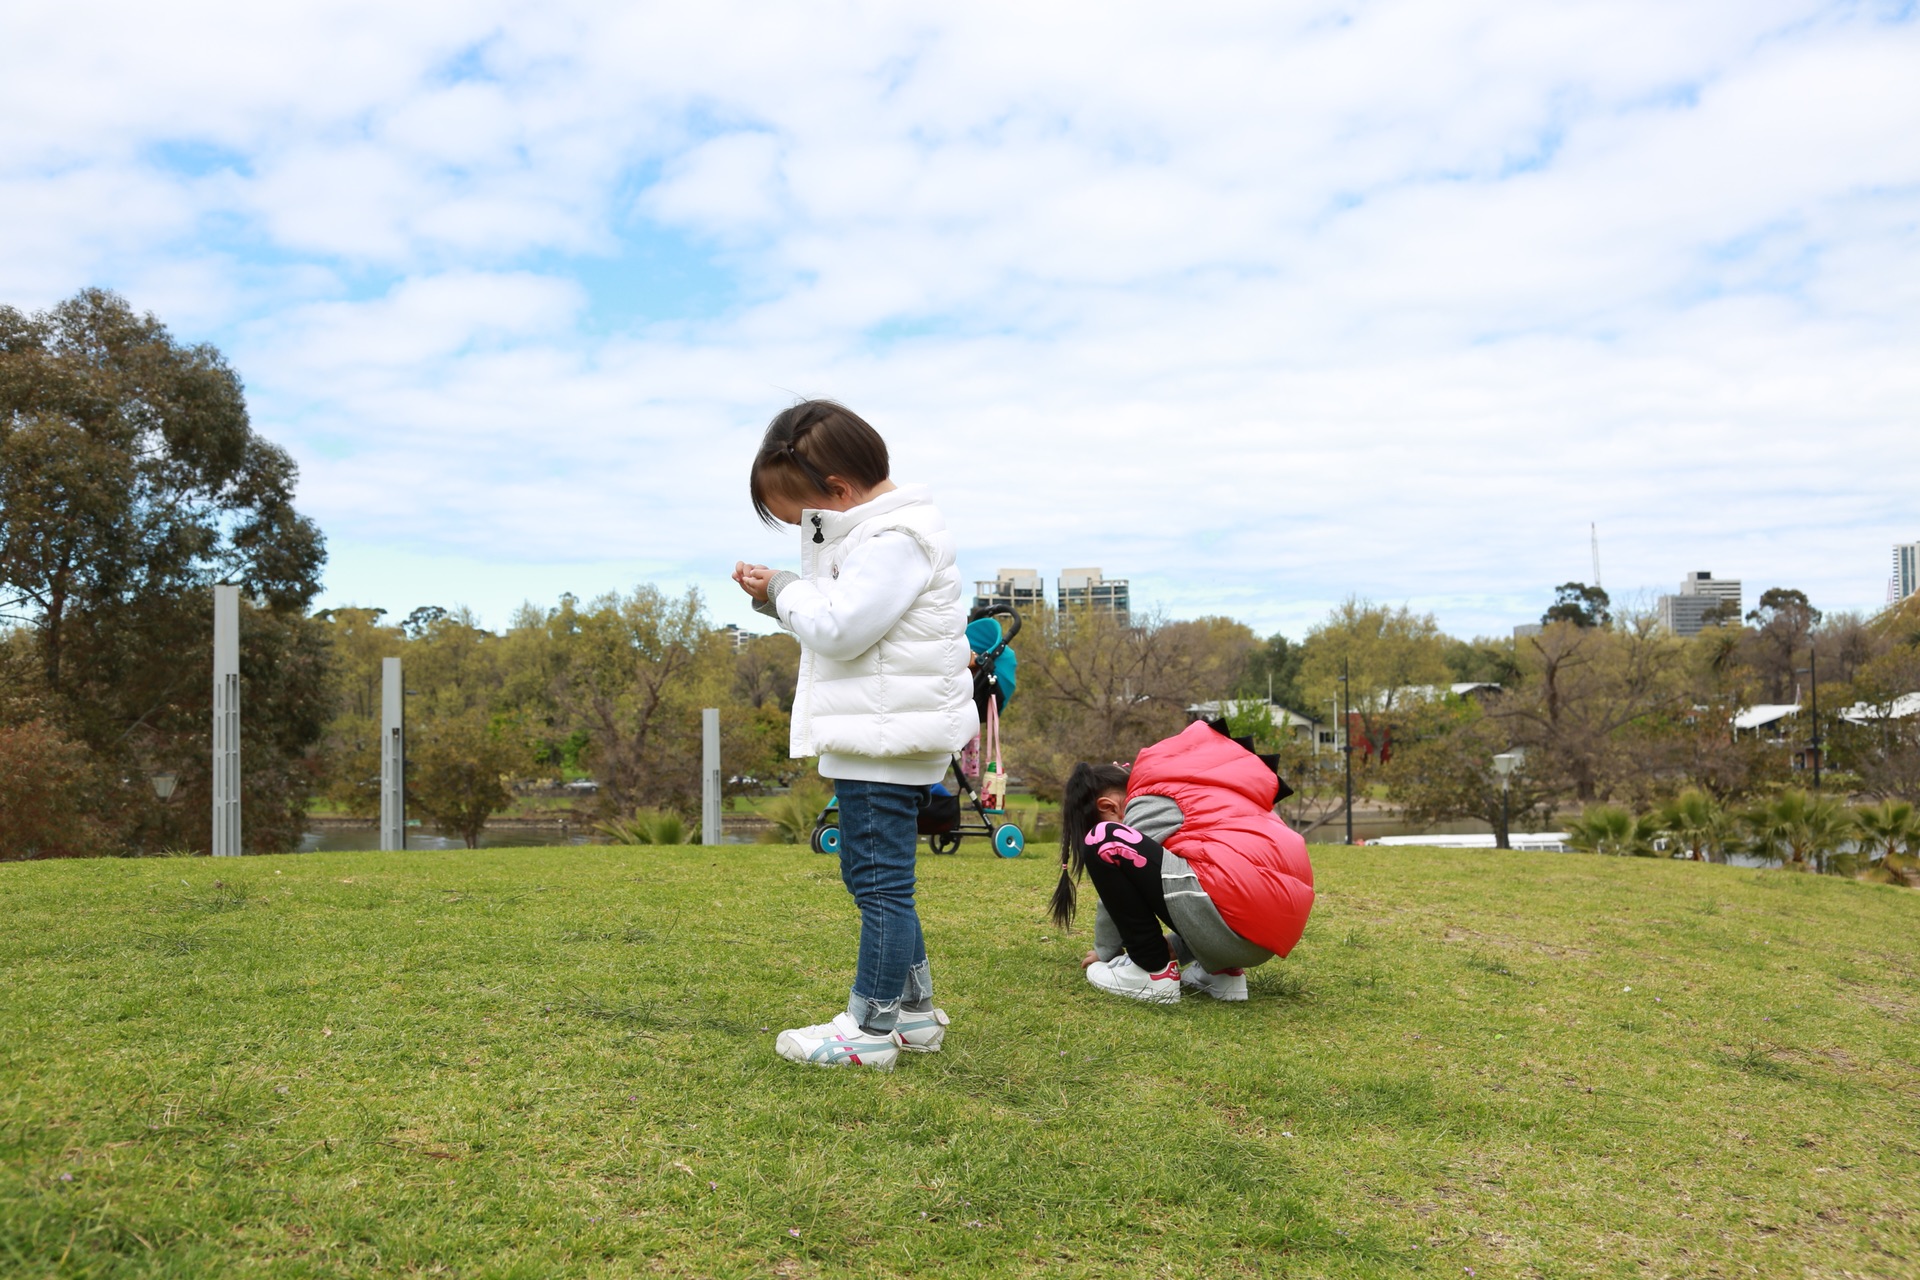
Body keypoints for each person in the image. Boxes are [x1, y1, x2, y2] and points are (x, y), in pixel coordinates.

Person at [732, 400, 974, 1070]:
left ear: (838, 491)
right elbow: (847, 628)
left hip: (883, 736)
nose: (803, 530)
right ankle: (915, 1015)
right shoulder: (890, 534)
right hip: (884, 726)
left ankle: (869, 1028)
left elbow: (841, 628)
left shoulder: (892, 539)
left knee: (878, 885)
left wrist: (783, 587)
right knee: (883, 882)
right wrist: (779, 597)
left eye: (801, 514)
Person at [1050, 721, 1316, 1003]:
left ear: (1109, 806)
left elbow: (1118, 854)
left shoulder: (1147, 799)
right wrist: (1178, 946)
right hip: (1264, 936)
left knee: (1104, 840)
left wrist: (1105, 951)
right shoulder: (1205, 791)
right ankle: (1222, 973)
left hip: (1238, 911)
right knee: (1200, 865)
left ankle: (1151, 972)